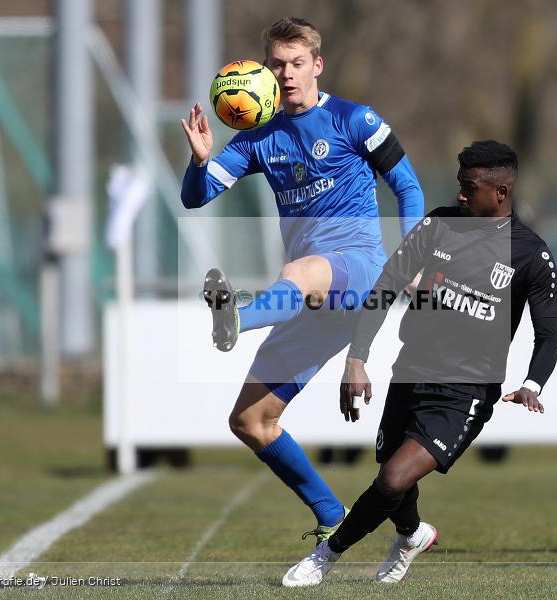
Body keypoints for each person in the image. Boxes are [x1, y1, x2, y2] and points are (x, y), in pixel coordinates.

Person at [179, 17, 424, 542]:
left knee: (300, 271)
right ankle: (331, 513)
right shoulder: (256, 139)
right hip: (310, 304)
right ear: (265, 71)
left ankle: (238, 317)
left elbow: (408, 187)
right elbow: (195, 197)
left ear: (317, 65)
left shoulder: (354, 119)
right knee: (250, 421)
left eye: (296, 63)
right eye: (277, 65)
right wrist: (199, 162)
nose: (287, 74)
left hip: (356, 268)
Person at [282, 140, 557, 586]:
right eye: (459, 186)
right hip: (410, 371)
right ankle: (412, 534)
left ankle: (325, 555)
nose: (461, 195)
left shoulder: (530, 253)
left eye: (470, 187)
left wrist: (534, 383)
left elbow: (549, 332)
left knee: (394, 478)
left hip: (466, 390)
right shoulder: (437, 225)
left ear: (502, 192)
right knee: (391, 475)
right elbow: (386, 286)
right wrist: (357, 360)